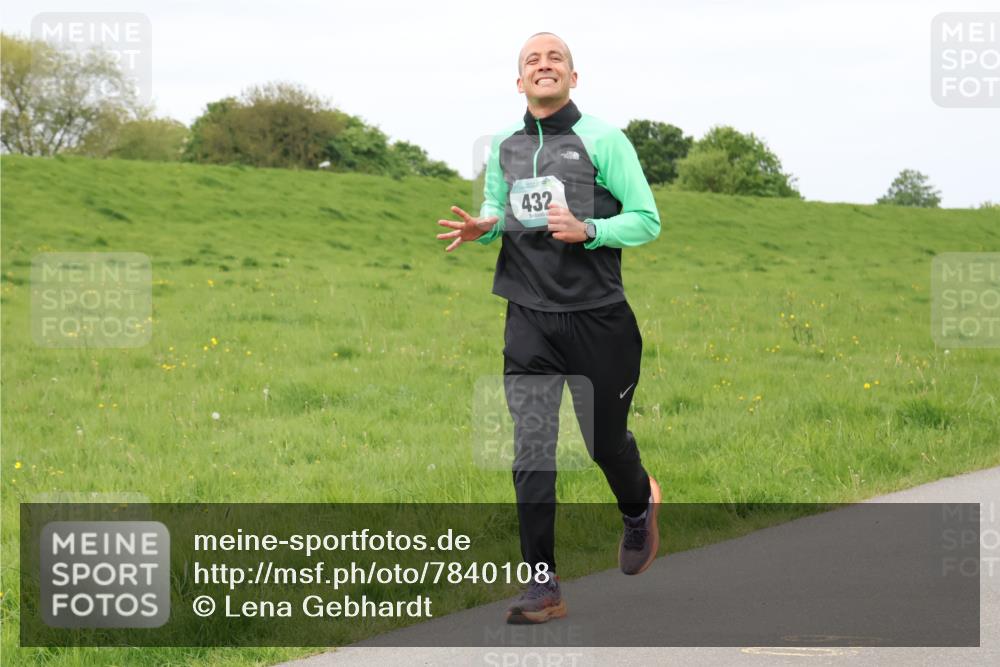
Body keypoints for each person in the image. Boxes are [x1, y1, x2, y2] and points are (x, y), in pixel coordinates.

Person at [436, 31, 662, 625]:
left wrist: (590, 229)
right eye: (532, 60)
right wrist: (480, 230)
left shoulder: (605, 140)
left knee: (604, 443)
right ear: (519, 82)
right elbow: (500, 218)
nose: (543, 64)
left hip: (598, 319)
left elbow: (646, 220)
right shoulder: (507, 148)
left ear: (572, 77)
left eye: (554, 57)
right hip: (528, 316)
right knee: (532, 448)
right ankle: (544, 585)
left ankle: (638, 507)